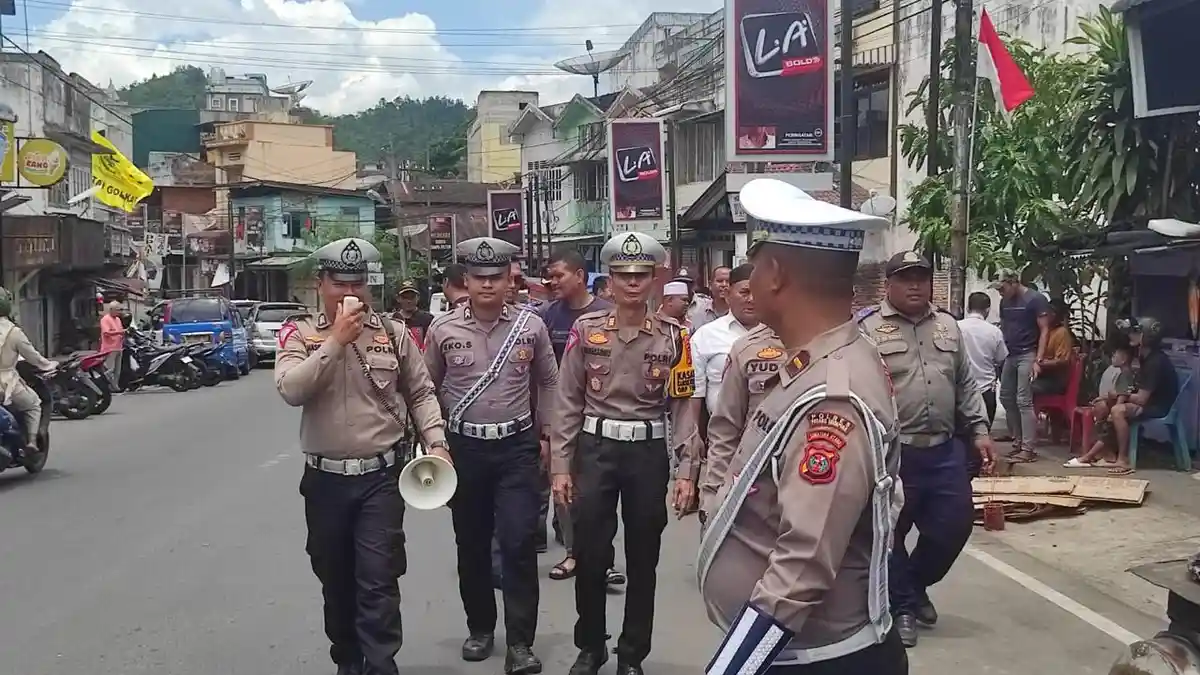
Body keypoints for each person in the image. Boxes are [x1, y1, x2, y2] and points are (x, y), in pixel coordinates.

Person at [698, 178, 906, 675]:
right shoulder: (815, 363)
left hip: (818, 659)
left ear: (773, 274)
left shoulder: (832, 396)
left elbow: (803, 564)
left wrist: (731, 669)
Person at [274, 237, 449, 675]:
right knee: (335, 580)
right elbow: (291, 389)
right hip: (326, 480)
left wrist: (438, 444)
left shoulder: (392, 333)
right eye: (340, 282)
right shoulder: (300, 333)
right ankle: (348, 659)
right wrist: (334, 342)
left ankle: (380, 663)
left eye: (359, 283)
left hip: (380, 477)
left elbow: (421, 391)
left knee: (378, 580)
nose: (350, 292)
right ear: (321, 283)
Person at [550, 231, 703, 675]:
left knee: (643, 557)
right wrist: (561, 466)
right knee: (593, 553)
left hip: (647, 454)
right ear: (609, 281)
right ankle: (590, 646)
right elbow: (567, 402)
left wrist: (686, 472)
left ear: (655, 279)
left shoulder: (677, 337)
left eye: (641, 274)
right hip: (596, 450)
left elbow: (685, 408)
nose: (632, 283)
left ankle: (632, 653)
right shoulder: (587, 330)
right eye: (622, 274)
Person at [424, 237, 559, 673]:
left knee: (519, 543)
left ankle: (521, 642)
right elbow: (427, 388)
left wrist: (549, 437)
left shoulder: (530, 327)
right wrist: (433, 442)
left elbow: (550, 383)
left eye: (495, 277)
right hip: (465, 449)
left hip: (516, 447)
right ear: (466, 281)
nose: (486, 285)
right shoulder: (443, 330)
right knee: (473, 543)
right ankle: (480, 627)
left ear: (509, 280)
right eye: (478, 278)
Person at [859, 250, 993, 649]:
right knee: (891, 534)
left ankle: (914, 585)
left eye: (922, 277)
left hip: (944, 449)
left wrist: (981, 430)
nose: (916, 285)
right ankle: (901, 607)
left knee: (954, 526)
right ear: (889, 285)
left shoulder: (949, 326)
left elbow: (966, 383)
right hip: (893, 452)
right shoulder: (866, 328)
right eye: (906, 278)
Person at [540, 249, 625, 588]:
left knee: (599, 493)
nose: (552, 282)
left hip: (599, 416)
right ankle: (574, 551)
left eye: (559, 275)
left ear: (580, 275)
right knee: (562, 486)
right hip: (561, 415)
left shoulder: (607, 314)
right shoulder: (548, 316)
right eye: (550, 275)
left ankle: (602, 559)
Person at [1090, 317, 1177, 476]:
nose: (1132, 335)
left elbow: (1142, 399)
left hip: (1157, 407)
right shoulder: (1145, 356)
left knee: (1118, 411)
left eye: (1137, 332)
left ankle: (1124, 460)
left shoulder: (1155, 362)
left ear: (1147, 338)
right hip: (1148, 401)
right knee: (1102, 406)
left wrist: (1118, 395)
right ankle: (1108, 454)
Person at [992, 269, 1052, 463]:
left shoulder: (1035, 299)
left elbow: (1044, 330)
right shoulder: (1005, 302)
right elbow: (1004, 326)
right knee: (1006, 397)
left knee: (1023, 400)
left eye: (1002, 288)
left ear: (1014, 283)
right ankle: (1017, 441)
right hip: (1010, 353)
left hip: (1028, 353)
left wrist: (1038, 360)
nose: (1000, 292)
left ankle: (1028, 447)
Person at [690, 263, 759, 416]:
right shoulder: (706, 336)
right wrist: (692, 435)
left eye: (757, 292)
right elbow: (694, 394)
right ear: (728, 295)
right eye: (745, 292)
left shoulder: (780, 334)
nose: (752, 299)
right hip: (720, 434)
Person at [0, 288, 56, 466]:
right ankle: (31, 442)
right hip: (6, 380)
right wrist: (49, 365)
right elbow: (33, 357)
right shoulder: (13, 332)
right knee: (33, 404)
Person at [1067, 345, 1136, 469]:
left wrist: (1113, 412)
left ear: (1124, 359)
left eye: (1115, 356)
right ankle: (1100, 454)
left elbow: (1122, 396)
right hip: (1113, 407)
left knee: (1106, 429)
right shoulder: (1122, 373)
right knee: (1101, 422)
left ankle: (1088, 456)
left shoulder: (1125, 374)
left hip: (1116, 410)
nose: (1112, 358)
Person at [958, 292, 1007, 425]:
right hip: (986, 390)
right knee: (984, 432)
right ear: (987, 310)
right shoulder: (994, 332)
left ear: (967, 308)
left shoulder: (956, 327)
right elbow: (1001, 358)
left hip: (960, 390)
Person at [1032, 303, 1076, 396]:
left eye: (1050, 312)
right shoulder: (1043, 330)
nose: (1046, 314)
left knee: (1025, 387)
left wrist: (1041, 363)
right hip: (1042, 375)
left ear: (1056, 315)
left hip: (1055, 380)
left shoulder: (1061, 333)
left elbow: (1062, 361)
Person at [392, 280, 434, 348]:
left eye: (412, 297)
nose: (409, 301)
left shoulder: (428, 319)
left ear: (418, 298)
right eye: (405, 297)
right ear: (398, 299)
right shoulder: (393, 320)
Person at [99, 301, 125, 389]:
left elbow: (121, 331)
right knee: (109, 369)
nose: (119, 312)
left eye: (120, 310)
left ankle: (115, 386)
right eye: (117, 310)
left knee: (117, 370)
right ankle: (107, 387)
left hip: (119, 347)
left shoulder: (118, 319)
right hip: (109, 348)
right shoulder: (105, 319)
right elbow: (106, 333)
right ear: (111, 310)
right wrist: (120, 332)